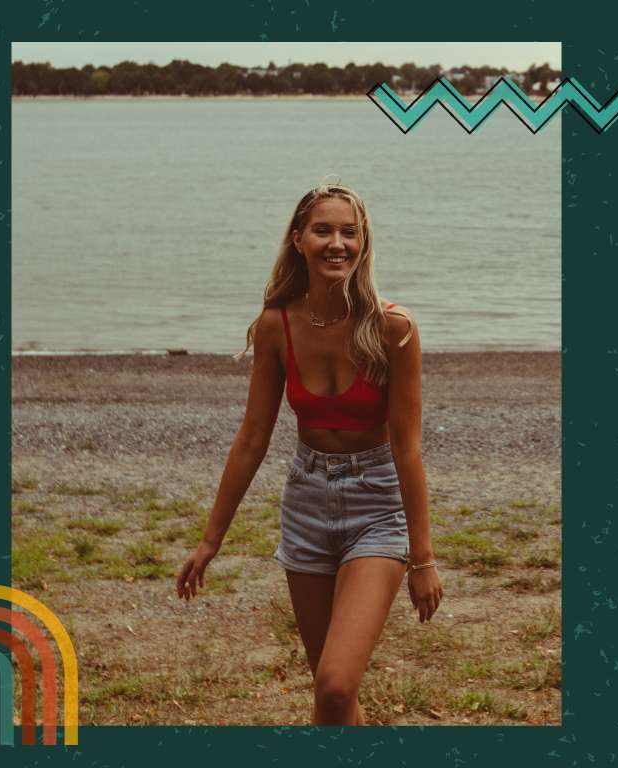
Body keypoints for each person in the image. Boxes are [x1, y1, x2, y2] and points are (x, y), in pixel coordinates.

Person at [175, 182, 442, 725]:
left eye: (349, 231)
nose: (336, 243)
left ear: (363, 243)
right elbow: (253, 437)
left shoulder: (393, 328)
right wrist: (210, 540)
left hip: (376, 504)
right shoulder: (278, 325)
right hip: (307, 504)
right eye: (323, 230)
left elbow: (408, 449)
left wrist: (423, 558)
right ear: (298, 239)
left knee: (337, 683)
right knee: (331, 697)